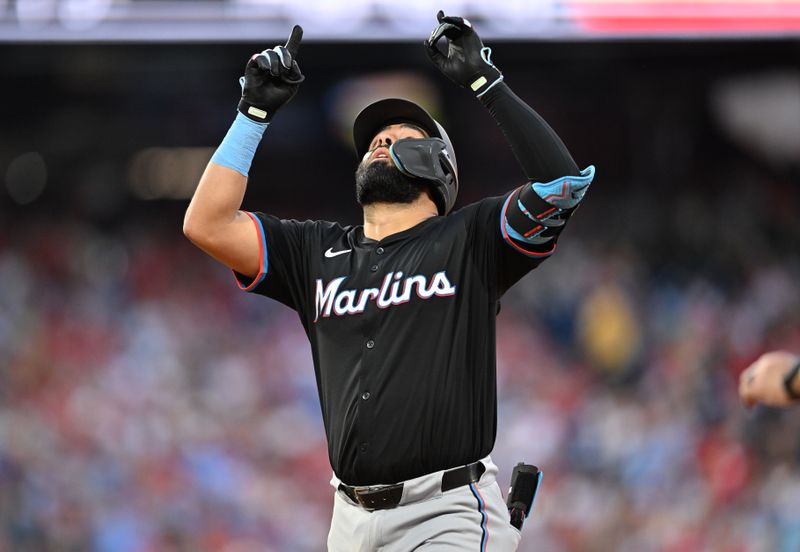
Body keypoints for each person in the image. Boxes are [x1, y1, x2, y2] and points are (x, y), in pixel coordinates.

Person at [184, 11, 594, 551]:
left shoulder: (470, 239)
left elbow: (561, 183)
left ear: (440, 167)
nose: (379, 143)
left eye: (400, 137)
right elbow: (207, 224)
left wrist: (484, 81)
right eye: (374, 139)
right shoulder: (316, 251)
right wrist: (253, 113)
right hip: (349, 520)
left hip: (445, 512)